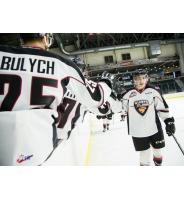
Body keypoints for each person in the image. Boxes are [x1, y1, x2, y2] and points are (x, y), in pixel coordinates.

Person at [0, 33, 112, 166]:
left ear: (21, 38)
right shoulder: (62, 65)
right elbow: (97, 99)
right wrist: (107, 82)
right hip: (39, 144)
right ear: (46, 38)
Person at [115, 68, 175, 166]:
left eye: (143, 78)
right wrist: (115, 98)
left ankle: (158, 165)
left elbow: (162, 108)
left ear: (147, 79)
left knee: (158, 152)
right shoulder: (126, 94)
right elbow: (120, 109)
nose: (141, 81)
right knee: (144, 154)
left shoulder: (154, 91)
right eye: (138, 78)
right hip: (138, 131)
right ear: (133, 80)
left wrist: (168, 121)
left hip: (154, 128)